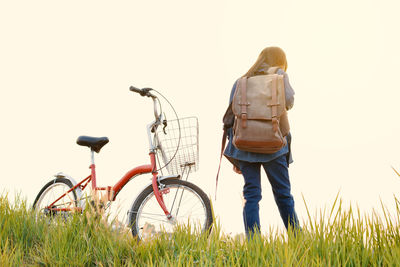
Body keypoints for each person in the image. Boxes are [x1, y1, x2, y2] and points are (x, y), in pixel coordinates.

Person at [224, 46, 300, 236]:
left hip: (244, 147)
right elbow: (289, 102)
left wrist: (236, 157)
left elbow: (232, 118)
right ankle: (298, 239)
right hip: (274, 145)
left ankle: (254, 244)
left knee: (251, 195)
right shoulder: (280, 75)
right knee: (283, 195)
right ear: (281, 61)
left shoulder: (241, 81)